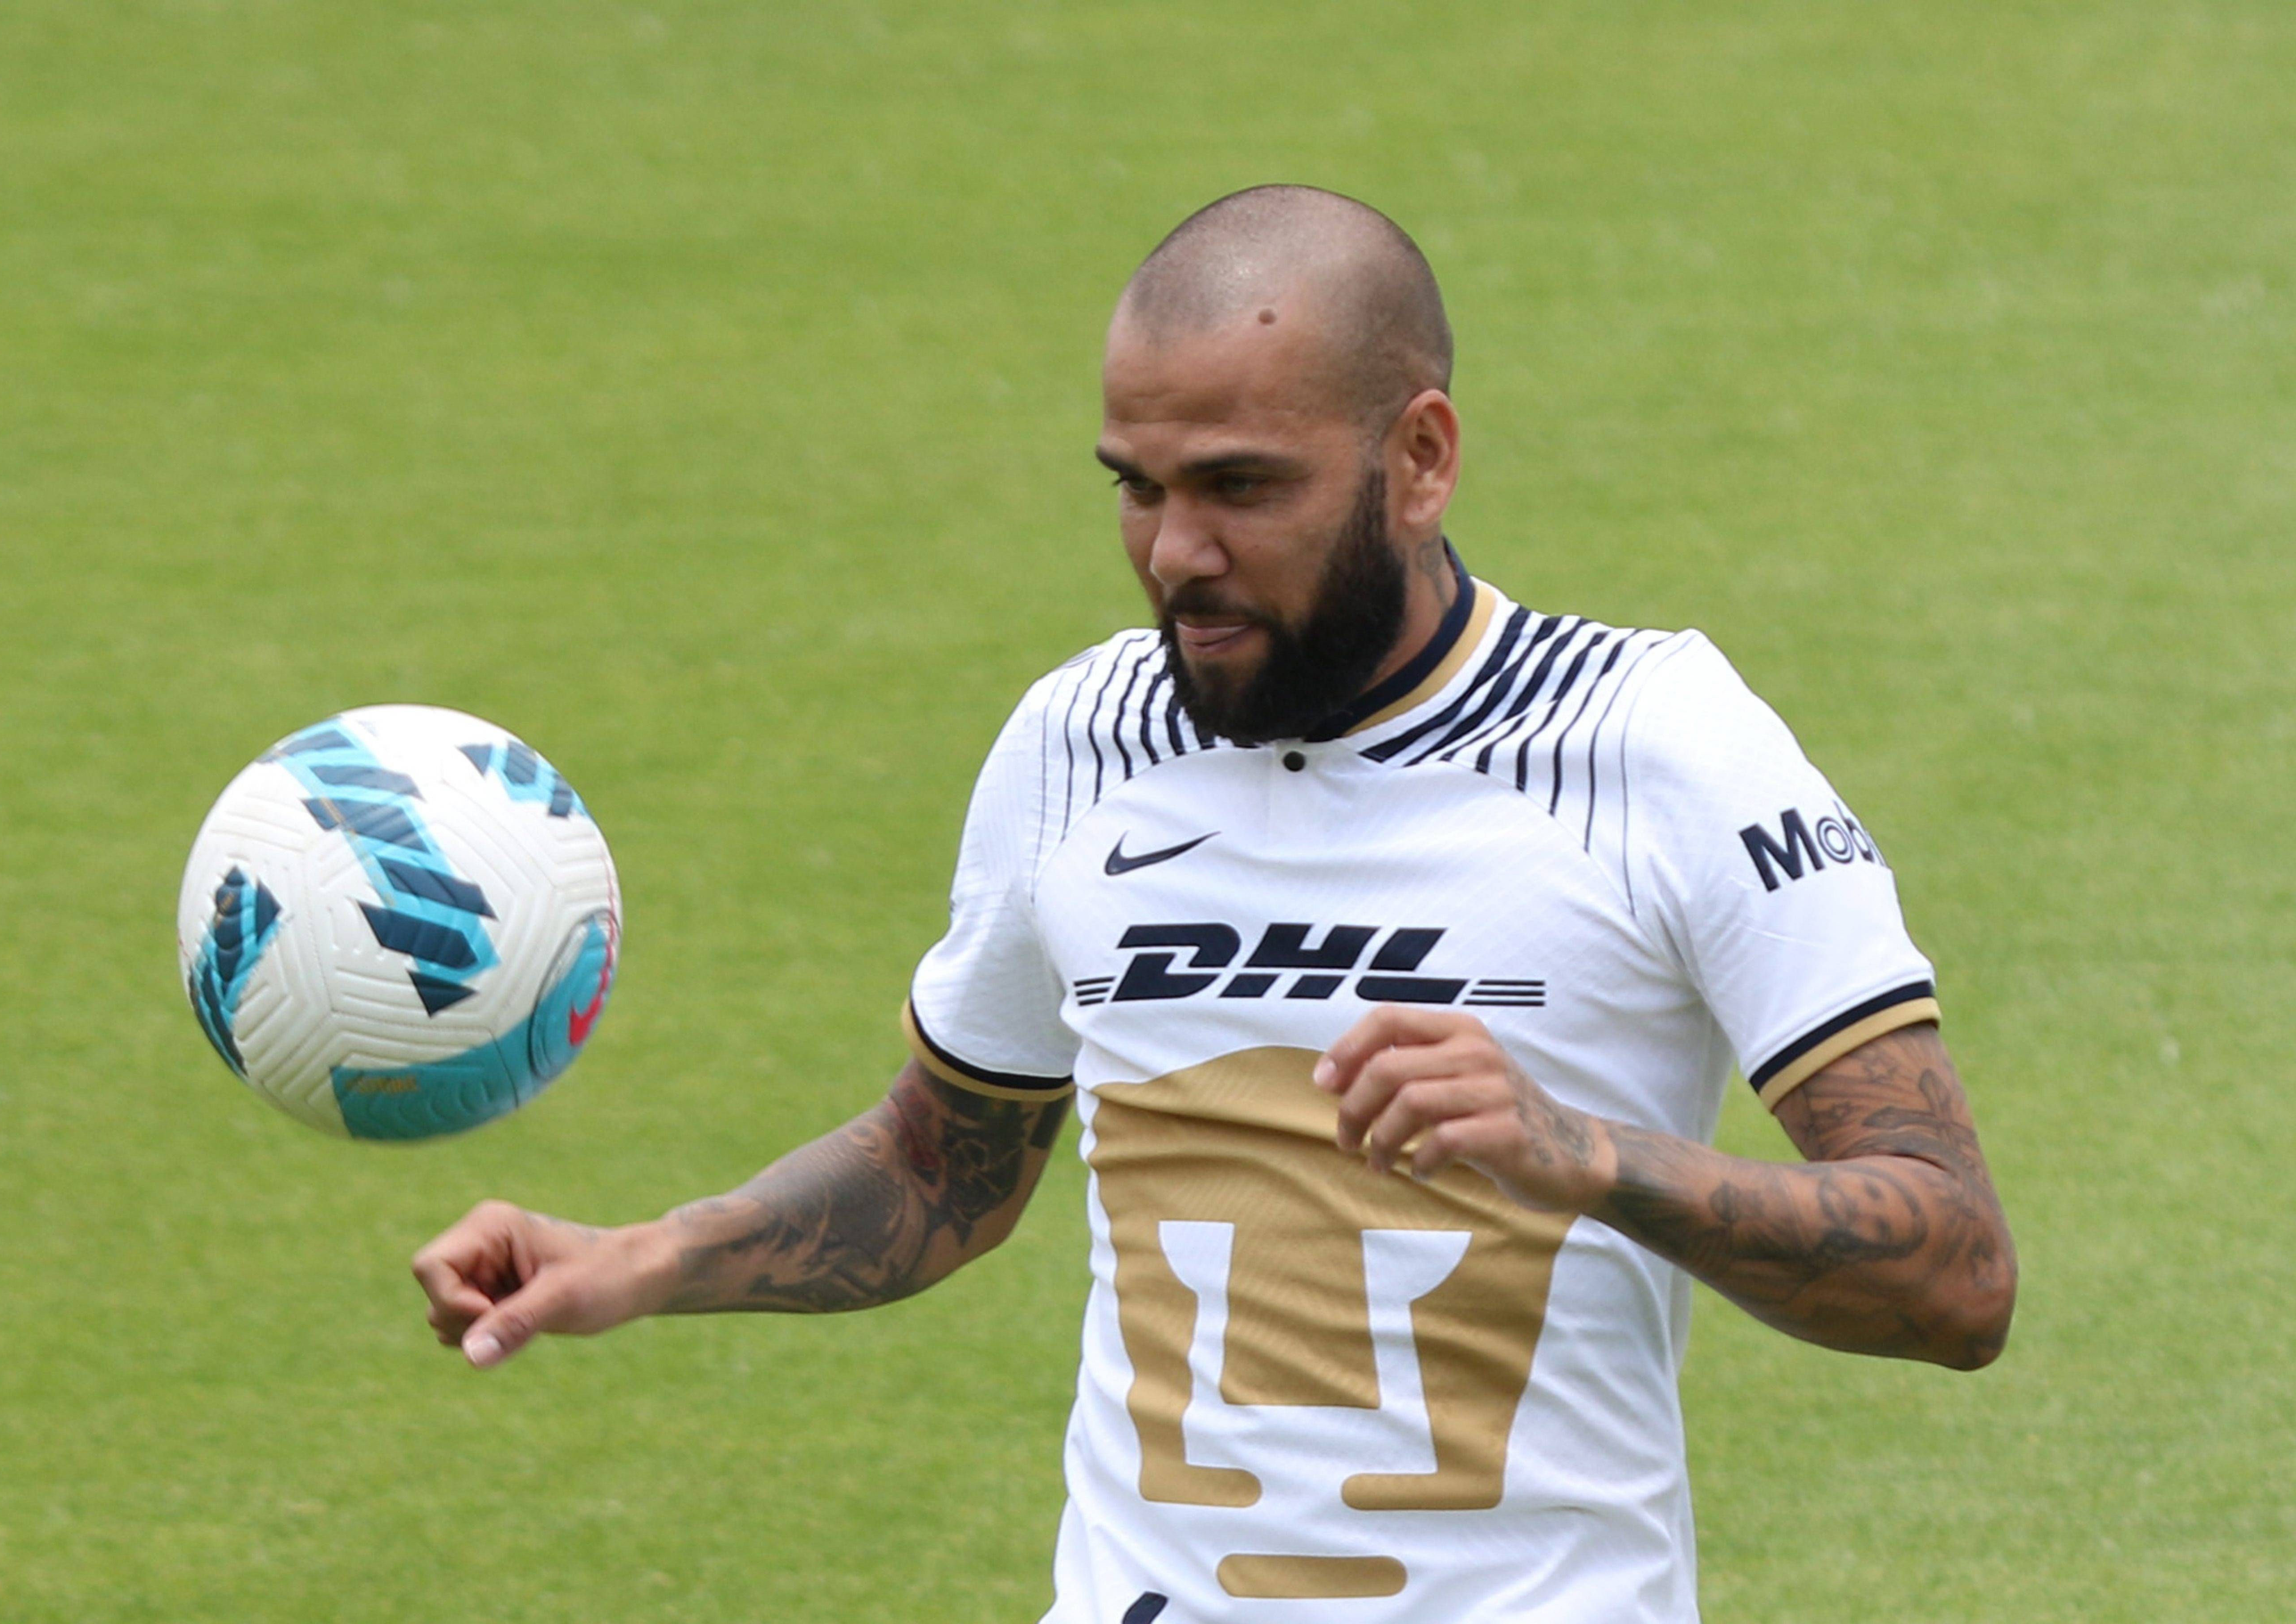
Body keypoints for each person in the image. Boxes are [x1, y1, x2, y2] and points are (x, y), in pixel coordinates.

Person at [412, 185, 2017, 1622]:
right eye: (1138, 488)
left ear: (1423, 458)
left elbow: (1953, 1274)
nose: (1178, 553)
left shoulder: (1651, 746)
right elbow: (939, 1172)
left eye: (1243, 487)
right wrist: (640, 1258)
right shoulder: (1078, 742)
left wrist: (1585, 1154)